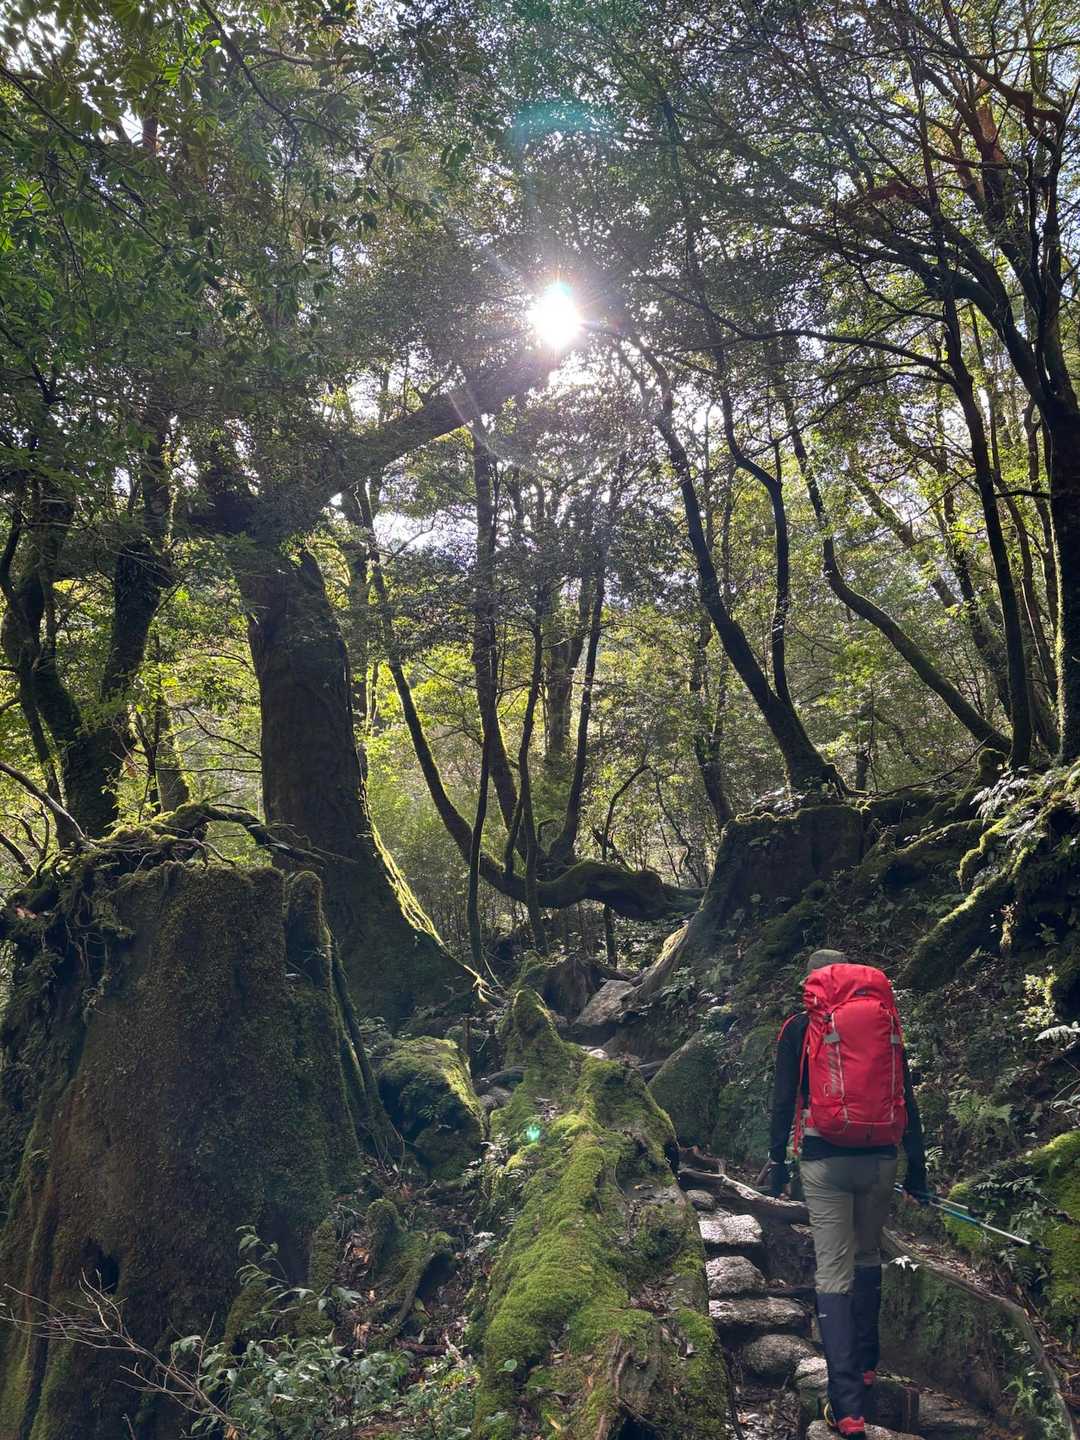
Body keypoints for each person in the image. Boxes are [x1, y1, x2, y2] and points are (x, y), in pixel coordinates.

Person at [763, 949, 927, 1439]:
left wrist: (777, 1163)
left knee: (833, 1270)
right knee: (868, 1255)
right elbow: (906, 1097)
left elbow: (783, 1099)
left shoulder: (800, 1027)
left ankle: (848, 1406)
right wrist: (917, 1172)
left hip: (824, 1159)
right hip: (881, 1158)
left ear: (812, 982)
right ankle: (868, 1364)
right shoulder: (883, 1021)